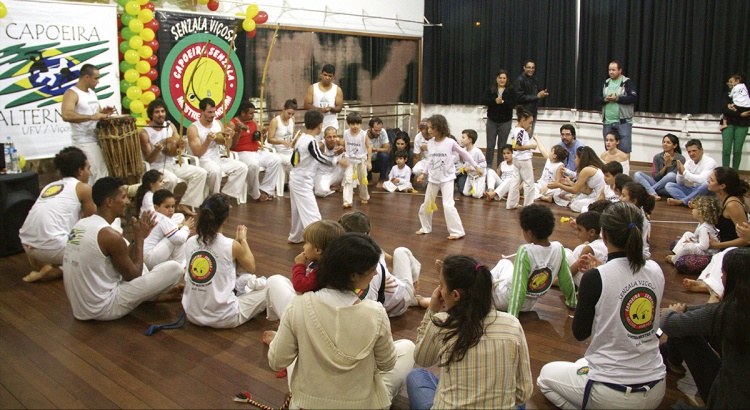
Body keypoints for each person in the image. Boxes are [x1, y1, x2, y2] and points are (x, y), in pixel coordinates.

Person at [537, 202, 666, 409]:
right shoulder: (655, 269)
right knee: (581, 364)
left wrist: (593, 284)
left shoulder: (596, 277)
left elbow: (580, 333)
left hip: (611, 391)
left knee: (545, 378)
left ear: (603, 235)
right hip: (656, 386)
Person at [268, 233, 415, 409]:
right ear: (354, 275)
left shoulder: (298, 305)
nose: (376, 273)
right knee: (408, 348)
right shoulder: (375, 312)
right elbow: (387, 363)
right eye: (372, 269)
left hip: (308, 404)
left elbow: (276, 361)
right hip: (361, 404)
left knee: (294, 349)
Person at [406, 255, 533, 409]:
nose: (439, 290)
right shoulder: (512, 324)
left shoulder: (442, 323)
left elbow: (422, 359)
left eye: (441, 286)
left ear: (456, 295)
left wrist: (431, 311)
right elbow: (523, 394)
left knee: (416, 376)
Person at [62, 177, 184, 321]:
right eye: (124, 197)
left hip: (81, 309)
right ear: (109, 202)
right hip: (103, 309)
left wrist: (136, 240)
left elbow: (123, 258)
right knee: (175, 269)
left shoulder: (81, 224)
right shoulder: (109, 235)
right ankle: (154, 295)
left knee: (127, 244)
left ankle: (154, 295)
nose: (127, 201)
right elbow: (134, 276)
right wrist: (139, 238)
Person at [659, 247, 750, 408]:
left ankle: (669, 357)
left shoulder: (729, 312)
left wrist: (672, 312)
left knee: (677, 407)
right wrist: (684, 310)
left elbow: (670, 324)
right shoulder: (738, 307)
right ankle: (669, 356)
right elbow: (708, 314)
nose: (721, 276)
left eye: (723, 273)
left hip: (727, 399)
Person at [182, 194, 267, 329]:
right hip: (224, 318)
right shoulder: (230, 245)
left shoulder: (190, 241)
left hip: (192, 314)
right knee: (270, 288)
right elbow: (251, 267)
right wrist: (243, 240)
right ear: (225, 218)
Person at [19, 147, 96, 282]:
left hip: (27, 244)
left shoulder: (50, 186)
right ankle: (57, 270)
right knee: (99, 250)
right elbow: (91, 223)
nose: (89, 173)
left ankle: (47, 259)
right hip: (50, 248)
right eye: (88, 168)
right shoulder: (84, 188)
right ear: (80, 171)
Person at [489, 204, 577, 317]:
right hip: (527, 305)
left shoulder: (525, 251)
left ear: (530, 233)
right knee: (505, 263)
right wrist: (572, 301)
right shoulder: (559, 248)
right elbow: (566, 279)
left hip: (505, 299)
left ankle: (478, 287)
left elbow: (518, 288)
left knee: (498, 268)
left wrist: (512, 317)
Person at [339, 211, 425, 317]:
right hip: (394, 301)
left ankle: (414, 297)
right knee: (401, 251)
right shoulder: (371, 263)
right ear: (367, 234)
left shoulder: (342, 253)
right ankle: (414, 297)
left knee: (399, 254)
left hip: (386, 300)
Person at [264, 220, 345, 326]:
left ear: (318, 250)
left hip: (311, 319)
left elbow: (300, 285)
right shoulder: (336, 264)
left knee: (274, 280)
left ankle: (286, 329)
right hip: (322, 314)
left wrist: (299, 265)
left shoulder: (321, 270)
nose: (303, 246)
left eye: (307, 243)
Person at [415, 114, 481, 240]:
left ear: (439, 128)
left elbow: (464, 153)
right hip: (433, 179)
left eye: (431, 128)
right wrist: (424, 173)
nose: (428, 130)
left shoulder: (450, 142)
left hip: (447, 179)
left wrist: (476, 166)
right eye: (428, 128)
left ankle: (457, 231)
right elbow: (430, 160)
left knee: (448, 205)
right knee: (426, 204)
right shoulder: (430, 143)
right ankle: (425, 227)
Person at [287, 110, 349, 244]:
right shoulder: (311, 141)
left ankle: (295, 237)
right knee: (312, 212)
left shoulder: (301, 138)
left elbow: (293, 160)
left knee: (297, 210)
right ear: (320, 125)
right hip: (302, 180)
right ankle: (319, 240)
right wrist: (337, 161)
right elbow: (320, 157)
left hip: (296, 177)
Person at [678, 167, 749, 278]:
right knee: (678, 244)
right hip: (717, 245)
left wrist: (717, 245)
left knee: (683, 263)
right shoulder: (721, 198)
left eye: (711, 180)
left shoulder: (733, 205)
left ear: (722, 186)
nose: (708, 181)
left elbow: (746, 240)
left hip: (731, 251)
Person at [139, 98, 207, 216]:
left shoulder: (171, 127)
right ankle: (163, 208)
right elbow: (149, 160)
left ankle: (184, 203)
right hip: (156, 167)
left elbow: (178, 147)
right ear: (151, 114)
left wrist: (181, 145)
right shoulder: (145, 133)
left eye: (162, 111)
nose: (160, 114)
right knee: (171, 179)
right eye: (157, 112)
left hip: (173, 163)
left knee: (201, 172)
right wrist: (156, 150)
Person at [60, 63, 115, 186]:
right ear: (86, 77)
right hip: (84, 141)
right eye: (96, 78)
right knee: (96, 174)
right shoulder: (72, 93)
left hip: (96, 139)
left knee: (101, 173)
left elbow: (97, 113)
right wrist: (91, 117)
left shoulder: (91, 93)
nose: (98, 81)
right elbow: (66, 115)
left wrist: (104, 113)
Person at [186, 98, 249, 203]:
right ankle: (215, 201)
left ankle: (224, 196)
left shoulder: (218, 123)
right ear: (201, 112)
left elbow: (227, 146)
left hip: (217, 158)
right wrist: (207, 141)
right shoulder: (193, 128)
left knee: (242, 167)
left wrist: (228, 137)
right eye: (209, 112)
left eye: (214, 112)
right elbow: (197, 153)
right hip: (202, 160)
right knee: (215, 171)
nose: (213, 115)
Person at [229, 101, 282, 202]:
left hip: (256, 150)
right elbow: (232, 145)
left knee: (276, 160)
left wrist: (263, 134)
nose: (253, 116)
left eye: (254, 113)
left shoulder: (253, 122)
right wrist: (238, 132)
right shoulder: (232, 123)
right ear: (242, 113)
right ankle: (255, 194)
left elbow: (258, 138)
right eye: (250, 113)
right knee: (254, 165)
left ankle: (265, 190)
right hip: (241, 152)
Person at [143, 189, 194, 270]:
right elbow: (179, 239)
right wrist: (186, 227)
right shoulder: (162, 218)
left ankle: (176, 269)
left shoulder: (156, 215)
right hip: (149, 259)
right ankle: (179, 269)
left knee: (177, 230)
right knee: (177, 238)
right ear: (156, 207)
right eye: (167, 207)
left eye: (173, 206)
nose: (171, 209)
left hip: (146, 258)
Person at [549, 146, 607, 213]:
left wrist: (558, 185)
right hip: (595, 195)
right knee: (569, 198)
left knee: (574, 205)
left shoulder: (587, 170)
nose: (574, 160)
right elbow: (587, 191)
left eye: (576, 157)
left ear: (581, 159)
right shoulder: (591, 167)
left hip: (599, 198)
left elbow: (574, 190)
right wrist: (571, 183)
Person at [666, 195, 721, 264]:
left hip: (708, 254)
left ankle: (675, 259)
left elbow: (704, 246)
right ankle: (678, 253)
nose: (692, 210)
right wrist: (692, 240)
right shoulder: (702, 224)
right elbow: (696, 237)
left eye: (695, 208)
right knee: (687, 234)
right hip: (704, 249)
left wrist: (692, 243)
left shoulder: (704, 228)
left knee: (689, 246)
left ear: (701, 212)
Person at [598, 61, 637, 155]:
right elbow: (597, 98)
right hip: (607, 121)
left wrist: (617, 99)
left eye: (613, 70)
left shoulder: (627, 83)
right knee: (609, 150)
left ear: (620, 70)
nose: (611, 72)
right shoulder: (606, 83)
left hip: (623, 122)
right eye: (609, 70)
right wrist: (605, 99)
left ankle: (624, 169)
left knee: (624, 150)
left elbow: (633, 98)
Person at [665, 139, 717, 207]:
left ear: (701, 150)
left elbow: (701, 180)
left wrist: (684, 172)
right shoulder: (689, 162)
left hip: (708, 191)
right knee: (669, 185)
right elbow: (680, 183)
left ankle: (683, 201)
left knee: (706, 184)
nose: (691, 154)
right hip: (695, 190)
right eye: (689, 152)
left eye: (694, 151)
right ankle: (691, 202)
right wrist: (680, 174)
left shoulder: (710, 162)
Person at [633, 133, 685, 200]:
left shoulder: (681, 159)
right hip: (658, 183)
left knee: (672, 175)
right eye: (664, 142)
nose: (665, 144)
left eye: (668, 142)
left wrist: (670, 165)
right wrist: (665, 166)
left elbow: (675, 179)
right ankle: (653, 193)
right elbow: (655, 178)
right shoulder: (657, 157)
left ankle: (649, 192)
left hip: (669, 187)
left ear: (674, 146)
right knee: (637, 174)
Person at [483, 69, 516, 168]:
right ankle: (488, 166)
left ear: (507, 79)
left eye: (504, 78)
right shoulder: (491, 89)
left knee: (502, 146)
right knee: (490, 145)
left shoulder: (511, 90)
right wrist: (494, 101)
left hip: (505, 121)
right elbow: (484, 100)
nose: (502, 80)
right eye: (500, 78)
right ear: (496, 78)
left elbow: (513, 104)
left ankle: (500, 167)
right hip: (492, 121)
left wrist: (503, 102)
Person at [506, 106, 538, 209]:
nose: (530, 125)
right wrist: (531, 146)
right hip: (524, 159)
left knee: (515, 181)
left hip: (516, 159)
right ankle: (529, 206)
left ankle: (511, 204)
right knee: (529, 183)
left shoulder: (514, 130)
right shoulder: (521, 131)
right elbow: (517, 146)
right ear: (523, 120)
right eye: (529, 122)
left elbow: (514, 145)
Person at [565, 211, 608, 287]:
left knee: (565, 253)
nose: (577, 233)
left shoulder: (589, 249)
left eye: (579, 230)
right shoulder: (603, 241)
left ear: (592, 232)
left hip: (587, 283)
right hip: (603, 280)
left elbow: (573, 271)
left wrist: (558, 280)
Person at [342, 112, 372, 208]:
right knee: (348, 179)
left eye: (357, 124)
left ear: (360, 123)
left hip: (361, 160)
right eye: (353, 124)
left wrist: (369, 162)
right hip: (349, 160)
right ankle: (347, 201)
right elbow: (344, 145)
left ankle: (364, 196)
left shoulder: (363, 134)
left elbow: (369, 147)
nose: (355, 126)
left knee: (362, 180)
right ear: (349, 124)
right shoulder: (346, 133)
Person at [303, 64, 343, 136]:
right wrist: (320, 110)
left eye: (330, 76)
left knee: (331, 146)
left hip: (331, 125)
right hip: (315, 126)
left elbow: (339, 107)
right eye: (325, 75)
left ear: (333, 77)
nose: (327, 78)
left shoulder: (337, 89)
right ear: (321, 74)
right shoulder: (313, 88)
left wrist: (331, 109)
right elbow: (306, 105)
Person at [721, 73, 750, 170]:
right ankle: (725, 172)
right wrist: (739, 114)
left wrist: (734, 110)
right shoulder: (727, 95)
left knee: (737, 150)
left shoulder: (746, 93)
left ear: (738, 82)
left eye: (731, 82)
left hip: (742, 124)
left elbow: (747, 109)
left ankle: (735, 173)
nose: (729, 84)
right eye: (728, 82)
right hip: (728, 123)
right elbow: (724, 109)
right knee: (726, 150)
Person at [619, 181, 655, 259]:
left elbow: (644, 250)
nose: (620, 198)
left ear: (634, 201)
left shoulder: (641, 220)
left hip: (637, 258)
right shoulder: (627, 212)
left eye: (623, 195)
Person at [513, 60, 548, 134]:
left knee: (528, 136)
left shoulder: (534, 79)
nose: (531, 70)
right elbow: (519, 97)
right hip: (524, 113)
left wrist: (542, 94)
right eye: (529, 67)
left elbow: (536, 94)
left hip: (533, 112)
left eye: (533, 68)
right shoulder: (520, 80)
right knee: (521, 135)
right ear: (524, 68)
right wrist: (536, 96)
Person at [266, 98, 297, 176]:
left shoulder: (292, 119)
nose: (290, 116)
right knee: (293, 163)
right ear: (283, 109)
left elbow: (292, 136)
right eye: (289, 113)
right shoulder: (275, 121)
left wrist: (296, 139)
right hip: (279, 151)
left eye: (292, 114)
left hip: (290, 150)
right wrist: (281, 141)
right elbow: (269, 139)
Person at [532, 137, 567, 203]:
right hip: (540, 185)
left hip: (551, 188)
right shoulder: (549, 159)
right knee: (529, 186)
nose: (549, 152)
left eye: (551, 151)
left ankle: (540, 196)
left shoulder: (559, 166)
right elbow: (542, 149)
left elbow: (558, 182)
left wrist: (548, 186)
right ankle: (543, 197)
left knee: (557, 192)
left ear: (554, 156)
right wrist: (537, 139)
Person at [313, 126, 345, 197]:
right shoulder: (320, 145)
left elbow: (350, 145)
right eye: (329, 137)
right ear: (324, 137)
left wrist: (343, 147)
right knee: (320, 193)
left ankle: (343, 185)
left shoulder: (340, 142)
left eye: (334, 136)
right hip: (323, 174)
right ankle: (330, 187)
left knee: (350, 159)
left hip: (337, 173)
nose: (332, 139)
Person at [458, 129, 487, 198]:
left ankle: (483, 185)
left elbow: (483, 165)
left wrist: (470, 168)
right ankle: (474, 188)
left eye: (463, 137)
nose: (461, 140)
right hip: (470, 176)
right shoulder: (463, 151)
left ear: (470, 140)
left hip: (479, 176)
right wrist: (463, 167)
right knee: (465, 193)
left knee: (476, 195)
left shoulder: (477, 151)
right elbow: (465, 162)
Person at [366, 117, 391, 188]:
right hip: (368, 161)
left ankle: (381, 179)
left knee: (384, 155)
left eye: (379, 130)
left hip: (378, 161)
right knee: (363, 156)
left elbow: (388, 149)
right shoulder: (364, 135)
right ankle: (369, 179)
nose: (378, 133)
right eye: (376, 130)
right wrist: (369, 151)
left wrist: (377, 149)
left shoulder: (383, 132)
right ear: (369, 128)